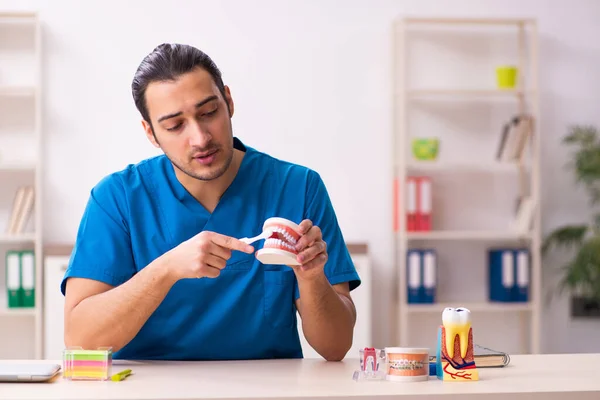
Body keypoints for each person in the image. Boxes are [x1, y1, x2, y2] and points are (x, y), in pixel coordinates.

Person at [61, 43, 361, 362]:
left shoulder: (297, 187)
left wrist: (312, 278)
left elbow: (336, 345)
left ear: (228, 101)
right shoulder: (117, 198)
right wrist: (166, 269)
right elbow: (81, 341)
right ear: (150, 132)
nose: (201, 138)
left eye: (208, 113)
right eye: (175, 125)